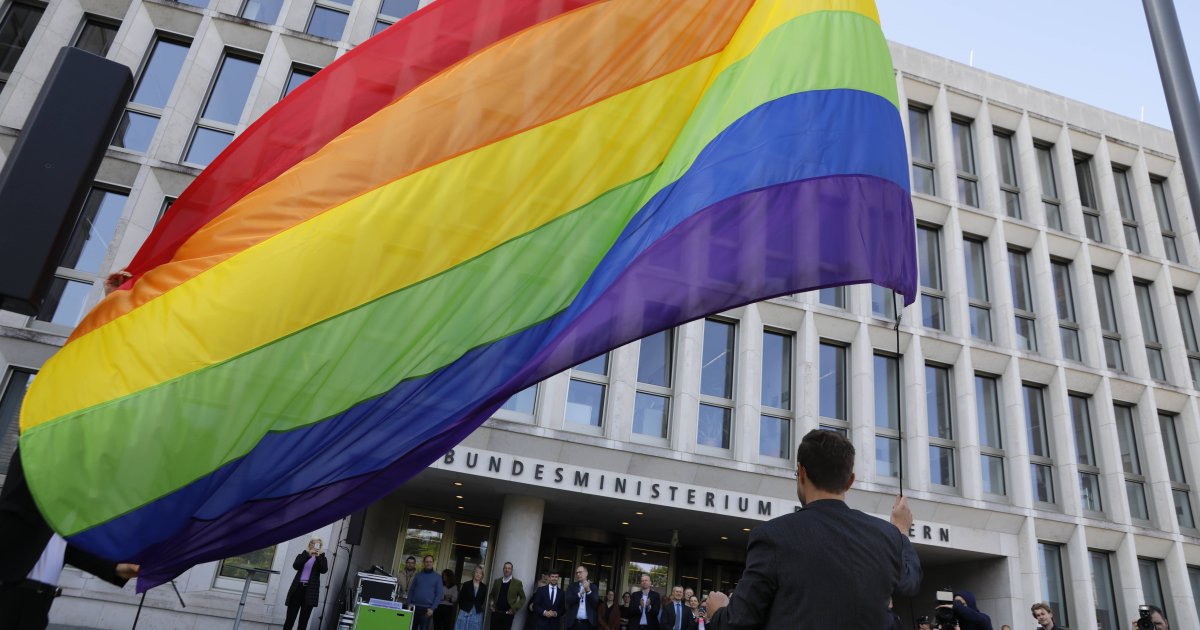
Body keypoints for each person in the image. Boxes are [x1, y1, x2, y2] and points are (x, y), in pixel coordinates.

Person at [704, 430, 922, 628]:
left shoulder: (773, 536)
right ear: (850, 481)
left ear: (801, 472)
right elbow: (909, 582)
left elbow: (739, 621)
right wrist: (901, 530)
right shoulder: (886, 536)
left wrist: (717, 611)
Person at [0, 448, 140, 630]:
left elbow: (68, 550)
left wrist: (118, 569)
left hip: (37, 603)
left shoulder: (62, 520)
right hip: (9, 594)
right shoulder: (25, 497)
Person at [283, 537, 329, 630]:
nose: (316, 547)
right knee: (290, 619)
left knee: (303, 622)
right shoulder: (303, 555)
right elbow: (296, 565)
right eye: (314, 544)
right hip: (298, 589)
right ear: (310, 545)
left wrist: (318, 556)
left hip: (310, 592)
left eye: (318, 545)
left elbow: (324, 570)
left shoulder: (322, 558)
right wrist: (309, 555)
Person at [488, 561, 527, 630]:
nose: (507, 570)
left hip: (508, 615)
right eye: (505, 568)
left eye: (509, 568)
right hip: (496, 613)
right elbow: (491, 595)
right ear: (503, 569)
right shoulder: (497, 581)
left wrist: (514, 608)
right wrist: (491, 605)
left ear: (511, 570)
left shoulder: (517, 583)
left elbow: (523, 598)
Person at [410, 555, 445, 630]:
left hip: (427, 610)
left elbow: (439, 595)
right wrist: (409, 603)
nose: (428, 563)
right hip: (414, 607)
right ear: (423, 563)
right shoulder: (418, 575)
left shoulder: (438, 577)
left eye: (430, 562)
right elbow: (411, 590)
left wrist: (432, 608)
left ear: (433, 563)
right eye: (426, 561)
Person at [565, 565, 599, 629]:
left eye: (580, 572)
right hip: (573, 623)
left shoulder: (593, 587)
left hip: (588, 623)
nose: (578, 574)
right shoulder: (572, 586)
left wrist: (588, 591)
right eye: (577, 573)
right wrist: (580, 593)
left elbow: (595, 604)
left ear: (586, 573)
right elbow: (569, 600)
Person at [456, 565, 488, 630]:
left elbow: (482, 600)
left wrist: (476, 606)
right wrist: (463, 608)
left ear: (482, 575)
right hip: (465, 611)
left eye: (480, 573)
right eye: (477, 572)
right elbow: (460, 598)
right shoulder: (466, 584)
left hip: (477, 613)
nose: (478, 574)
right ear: (473, 573)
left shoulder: (484, 587)